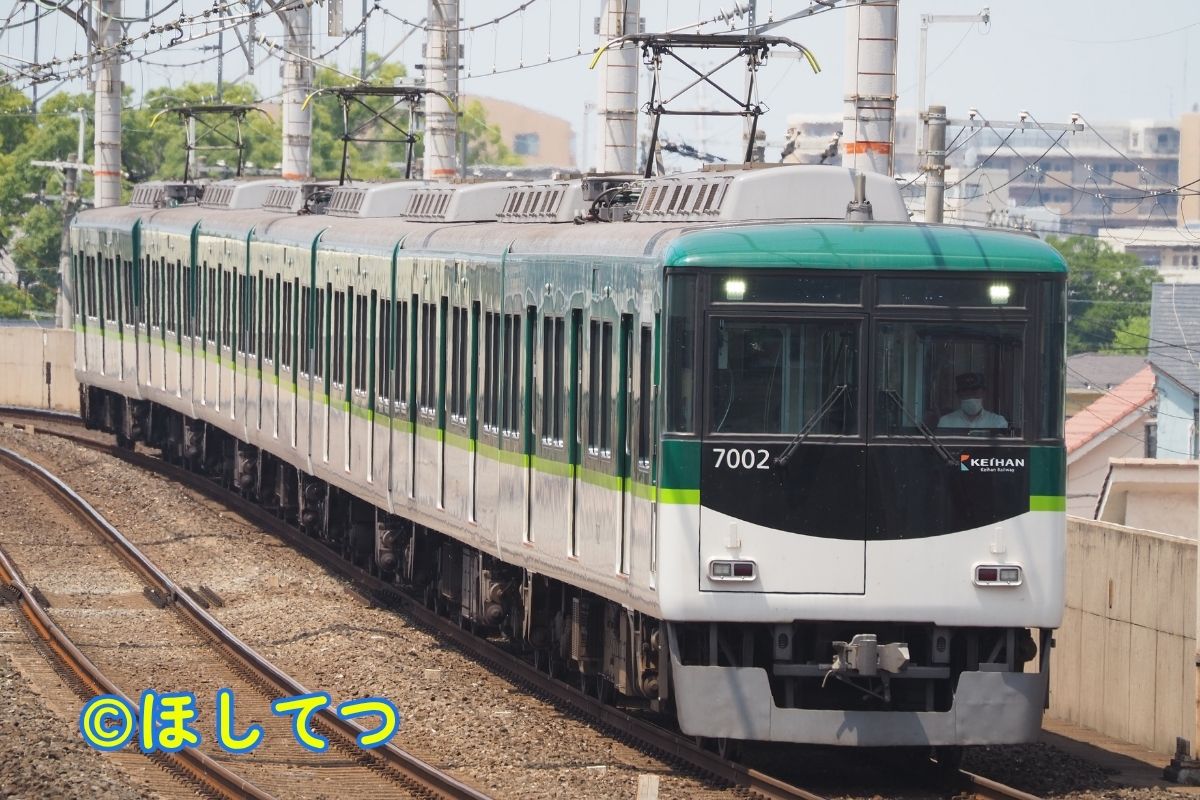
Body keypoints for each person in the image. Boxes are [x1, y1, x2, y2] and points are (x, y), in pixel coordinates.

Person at [937, 372, 1007, 430]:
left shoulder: (998, 423)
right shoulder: (946, 422)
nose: (970, 396)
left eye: (974, 392)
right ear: (958, 395)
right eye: (966, 393)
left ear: (984, 393)